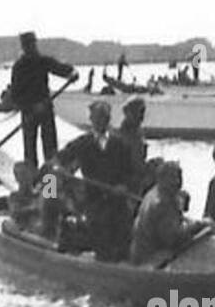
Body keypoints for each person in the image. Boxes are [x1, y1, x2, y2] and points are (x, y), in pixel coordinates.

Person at [54, 100, 134, 261]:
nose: (99, 121)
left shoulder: (120, 144)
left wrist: (124, 186)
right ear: (91, 120)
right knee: (101, 235)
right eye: (96, 117)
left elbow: (131, 172)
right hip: (94, 200)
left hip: (118, 200)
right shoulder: (82, 143)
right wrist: (59, 169)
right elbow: (57, 160)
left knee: (124, 234)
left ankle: (124, 264)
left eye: (103, 117)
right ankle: (103, 263)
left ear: (108, 119)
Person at [11, 31, 78, 166]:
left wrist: (73, 73)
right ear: (23, 47)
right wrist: (30, 107)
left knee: (50, 152)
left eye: (32, 44)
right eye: (27, 45)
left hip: (45, 109)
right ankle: (33, 182)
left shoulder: (42, 61)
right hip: (29, 113)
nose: (30, 47)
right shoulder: (19, 67)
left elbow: (62, 69)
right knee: (30, 152)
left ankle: (50, 186)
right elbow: (16, 95)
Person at [130, 161, 203, 265]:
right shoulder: (161, 203)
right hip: (150, 259)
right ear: (161, 179)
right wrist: (197, 226)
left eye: (179, 177)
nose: (177, 182)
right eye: (172, 178)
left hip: (143, 253)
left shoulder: (154, 192)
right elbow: (171, 239)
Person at [115, 98, 150, 195]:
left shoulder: (138, 132)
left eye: (143, 112)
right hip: (128, 180)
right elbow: (135, 162)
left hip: (137, 176)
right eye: (139, 112)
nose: (141, 117)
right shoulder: (124, 134)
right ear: (129, 113)